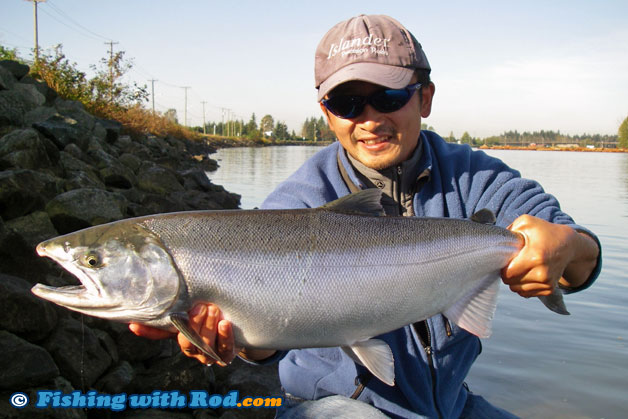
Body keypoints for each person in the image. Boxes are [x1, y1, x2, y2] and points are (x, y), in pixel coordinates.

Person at [130, 14, 601, 418]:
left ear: (426, 98)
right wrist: (230, 340)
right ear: (326, 113)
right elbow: (263, 348)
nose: (370, 119)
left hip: (452, 405)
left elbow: (577, 253)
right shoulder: (292, 208)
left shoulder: (477, 177)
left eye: (389, 97)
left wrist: (566, 248)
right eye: (347, 103)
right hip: (332, 405)